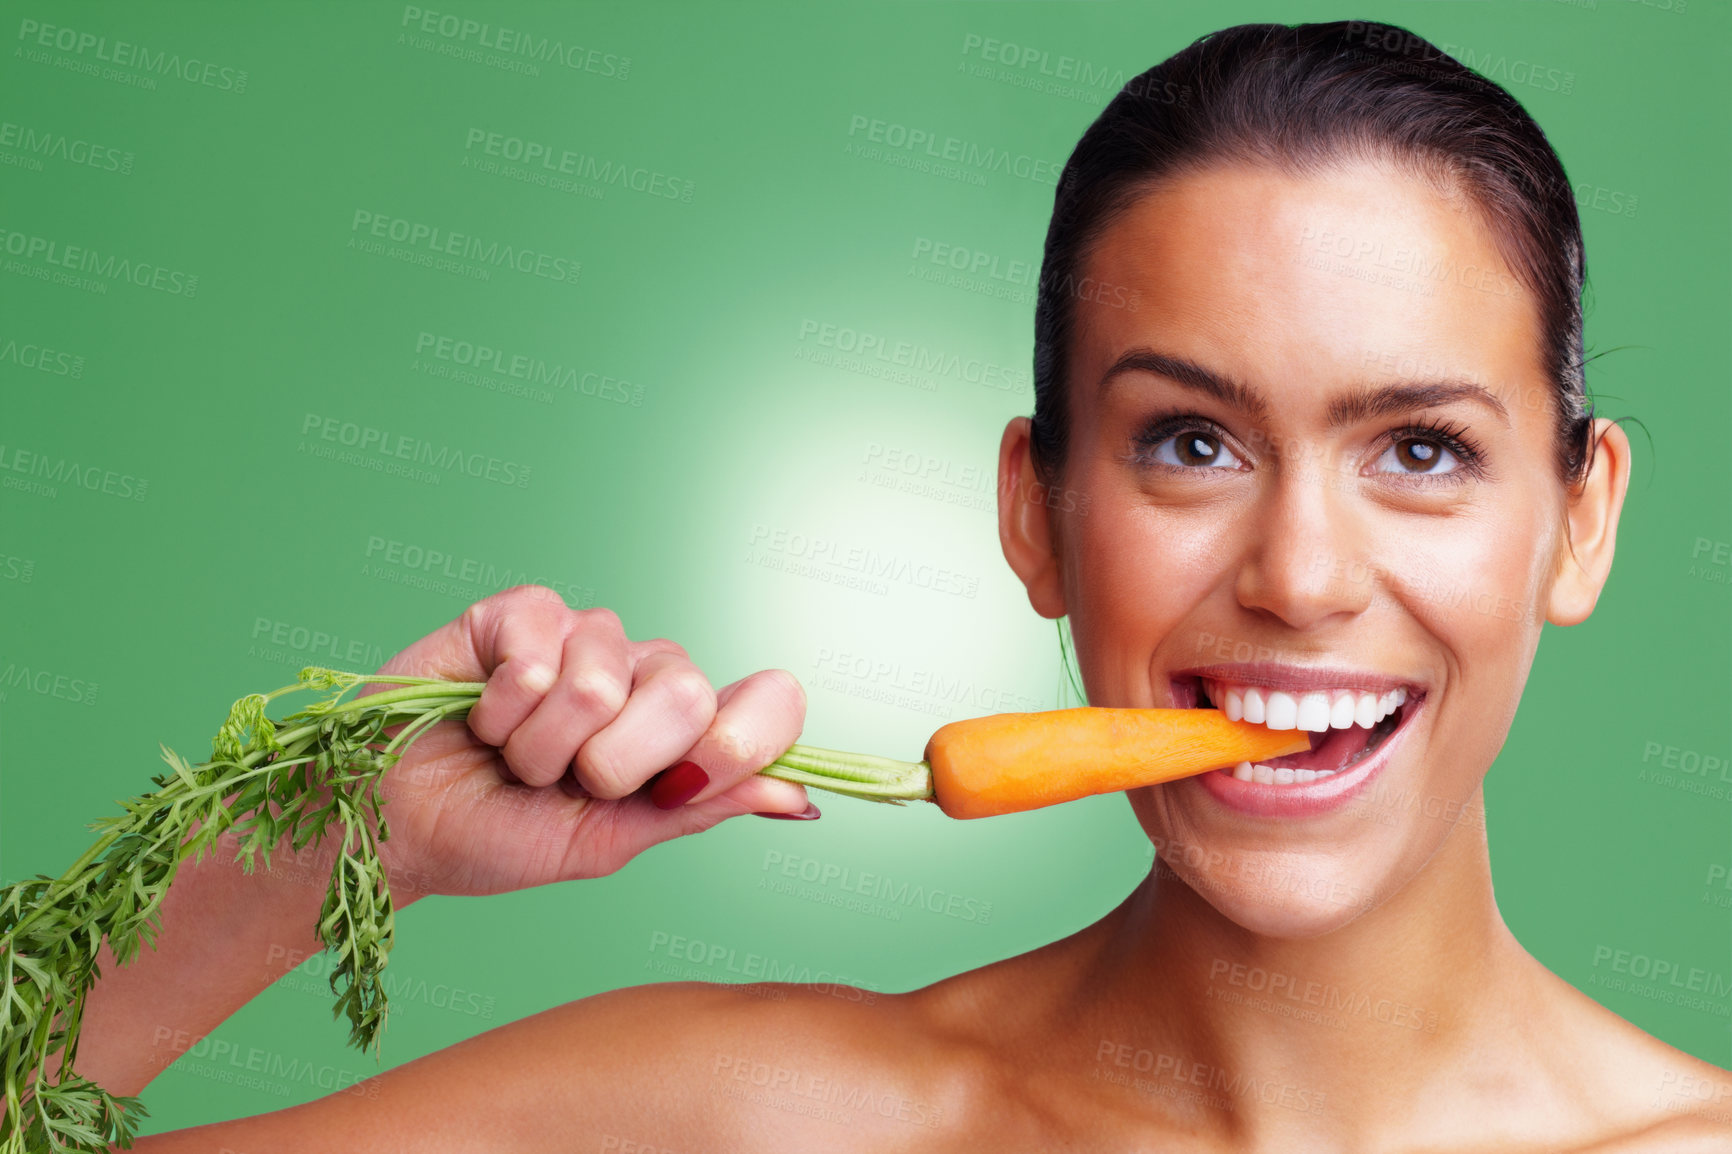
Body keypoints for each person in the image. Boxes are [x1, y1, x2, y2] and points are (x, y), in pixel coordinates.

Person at [71, 20, 1731, 1151]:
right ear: (1037, 513)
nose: (1300, 575)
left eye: (1422, 450)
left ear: (1578, 520)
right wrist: (337, 835)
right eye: (1192, 444)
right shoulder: (769, 1114)